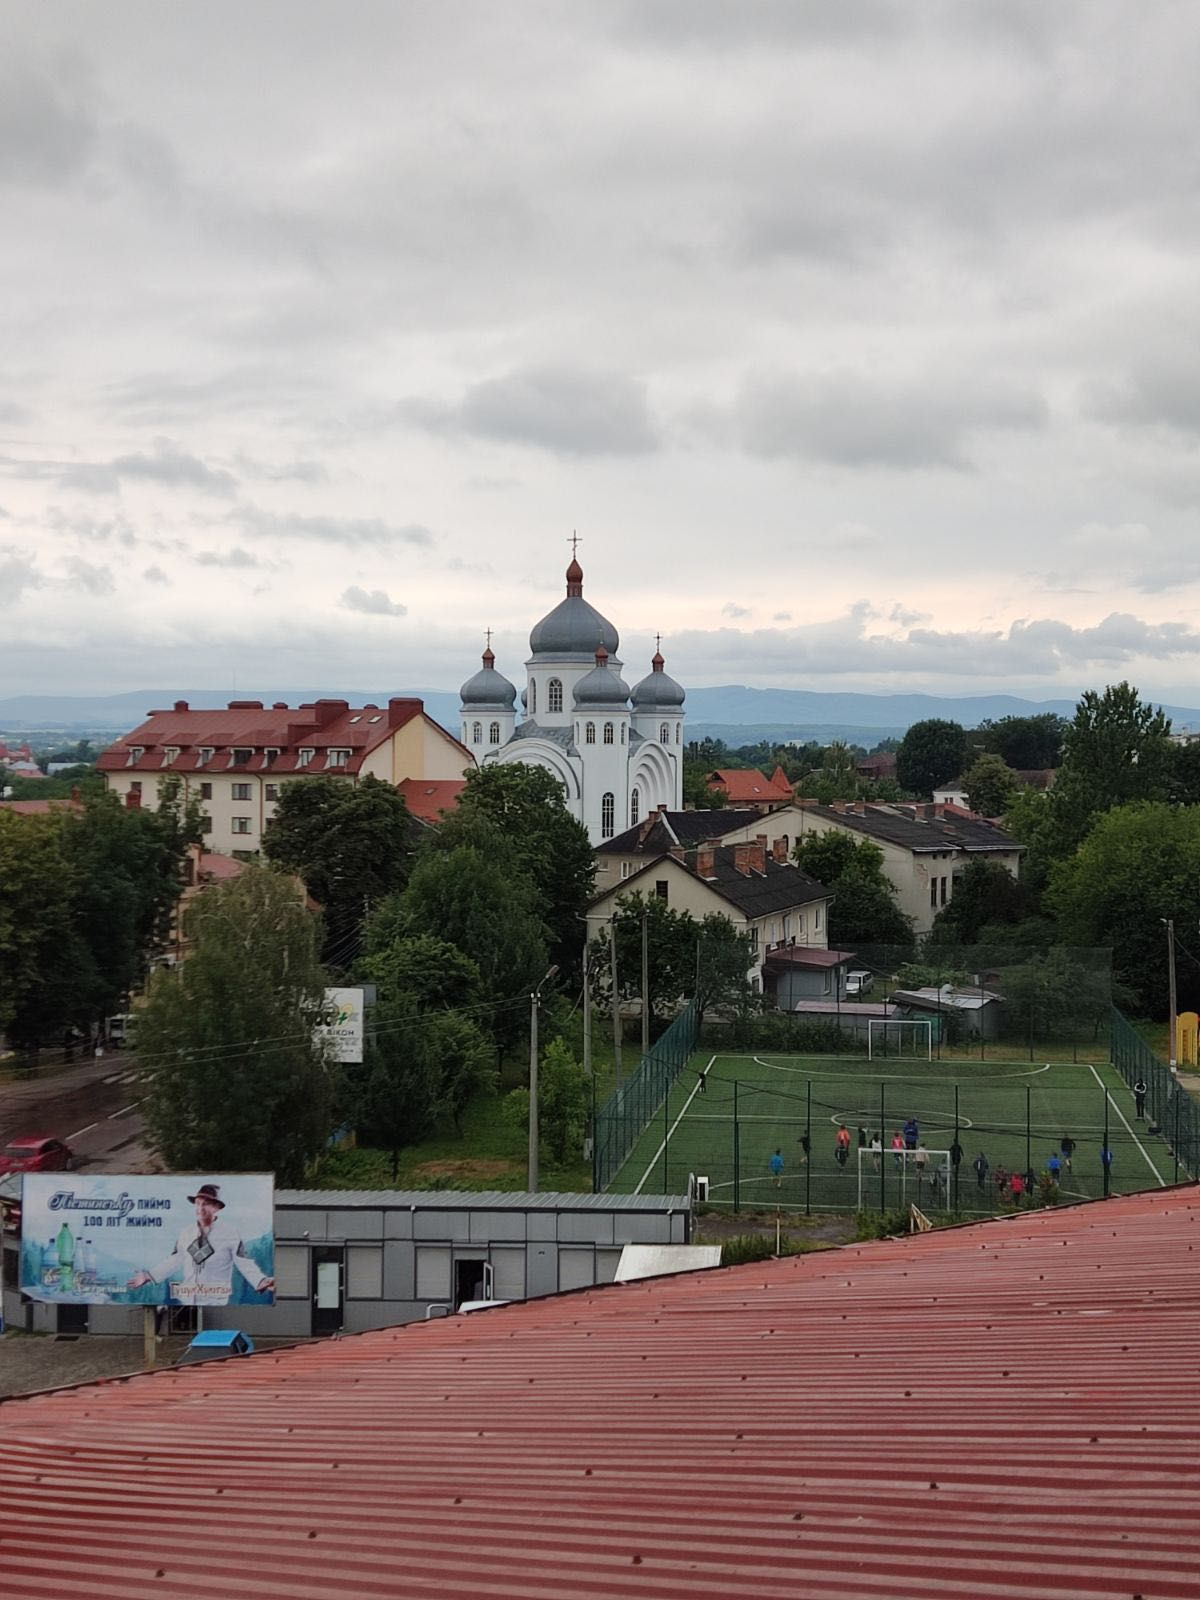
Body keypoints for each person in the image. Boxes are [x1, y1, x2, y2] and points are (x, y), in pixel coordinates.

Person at [127, 1183, 273, 1308]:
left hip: (215, 1301)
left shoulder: (229, 1233)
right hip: (188, 1301)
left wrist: (260, 1280)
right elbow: (175, 1259)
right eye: (198, 1203)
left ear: (216, 1207)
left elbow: (243, 1261)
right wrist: (149, 1276)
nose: (200, 1208)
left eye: (206, 1204)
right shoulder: (186, 1233)